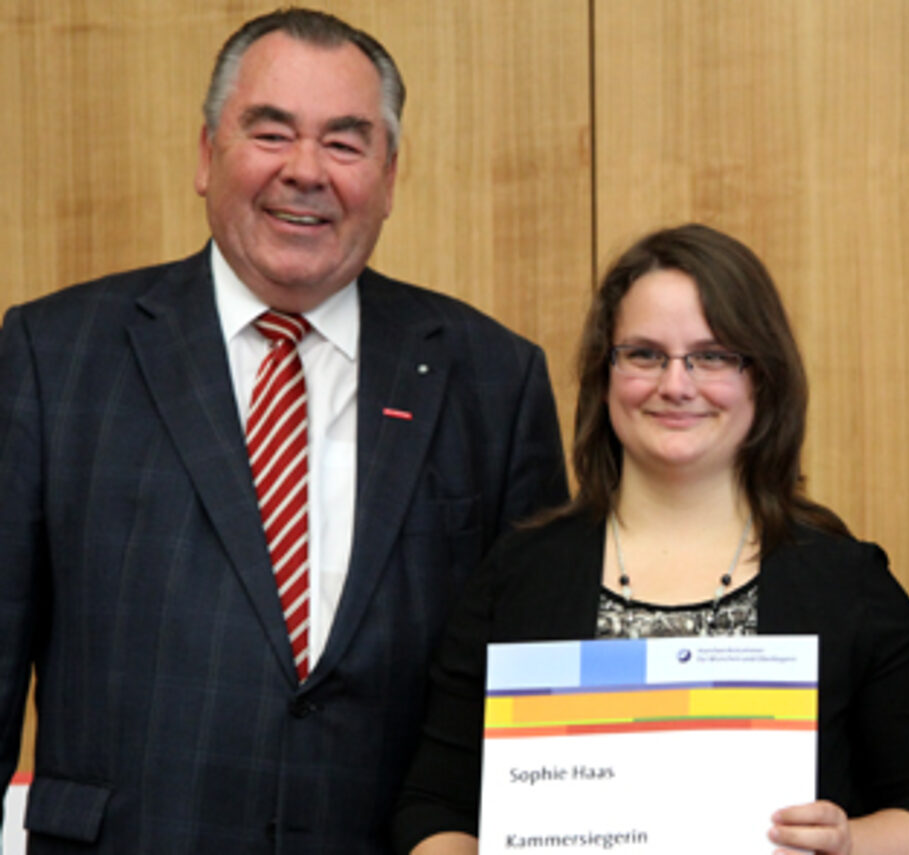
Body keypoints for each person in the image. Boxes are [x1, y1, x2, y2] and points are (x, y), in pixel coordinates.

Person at [0, 9, 568, 852]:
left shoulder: (493, 378)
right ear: (206, 155)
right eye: (270, 133)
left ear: (389, 173)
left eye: (345, 143)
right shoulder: (56, 354)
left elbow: (537, 693)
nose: (306, 172)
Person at [392, 223, 909, 855]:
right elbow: (433, 806)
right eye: (644, 354)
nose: (675, 385)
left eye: (712, 355)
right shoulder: (519, 576)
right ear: (605, 373)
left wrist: (847, 843)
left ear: (763, 376)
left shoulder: (846, 581)